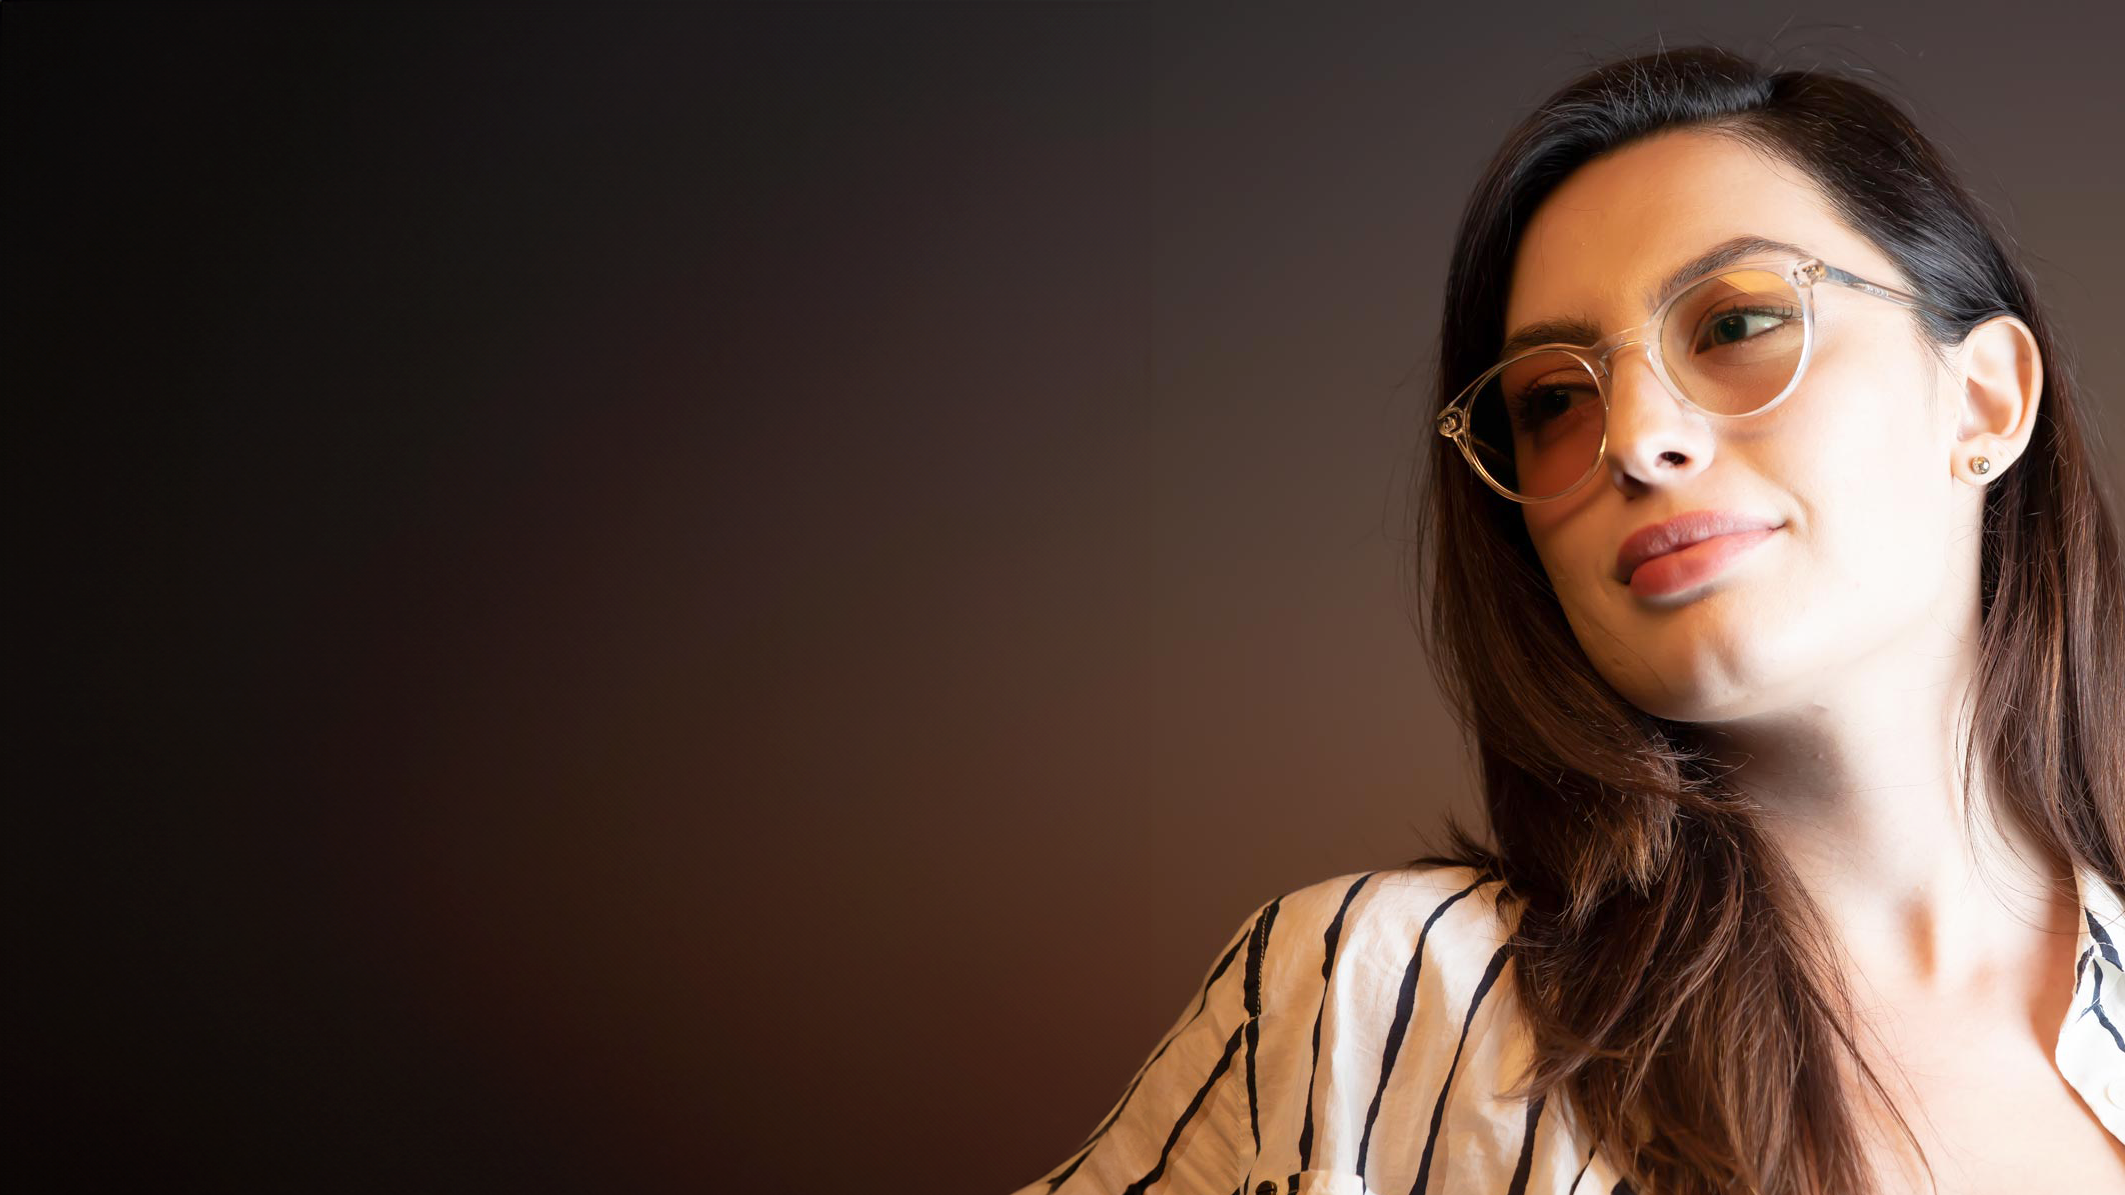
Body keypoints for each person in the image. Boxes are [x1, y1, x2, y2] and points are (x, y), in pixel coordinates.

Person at [1008, 44, 2125, 1195]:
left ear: (1983, 399)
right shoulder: (1384, 997)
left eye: (1737, 324)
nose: (1634, 438)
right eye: (1551, 399)